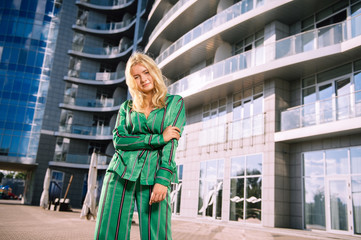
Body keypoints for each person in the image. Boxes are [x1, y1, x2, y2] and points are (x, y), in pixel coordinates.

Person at [95, 52, 186, 240]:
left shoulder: (174, 103)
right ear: (132, 82)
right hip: (119, 172)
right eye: (136, 77)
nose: (143, 79)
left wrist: (163, 179)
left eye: (146, 72)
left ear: (154, 72)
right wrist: (158, 138)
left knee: (157, 235)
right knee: (109, 235)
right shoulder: (126, 108)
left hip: (154, 176)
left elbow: (171, 146)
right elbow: (119, 141)